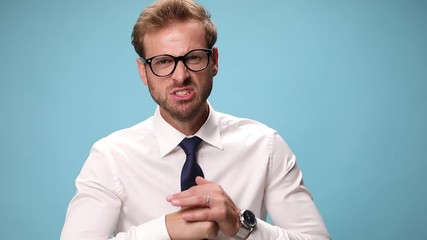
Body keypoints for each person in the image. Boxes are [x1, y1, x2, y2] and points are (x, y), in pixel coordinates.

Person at [60, 0, 330, 239]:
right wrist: (164, 231)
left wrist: (240, 224)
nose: (180, 76)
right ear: (143, 72)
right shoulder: (110, 157)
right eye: (163, 62)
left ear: (213, 61)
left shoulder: (265, 146)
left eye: (193, 58)